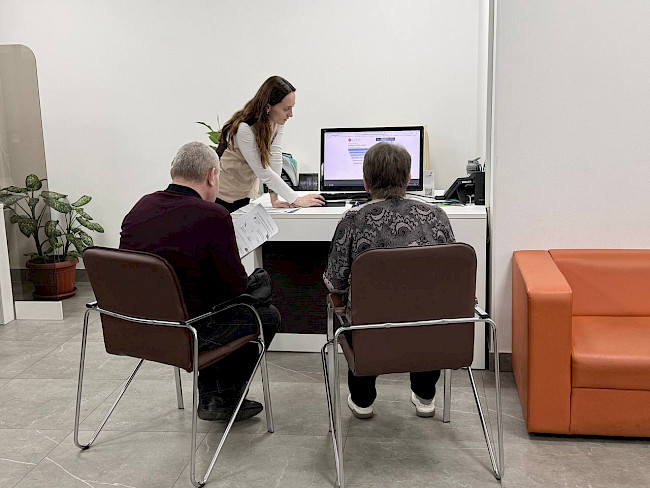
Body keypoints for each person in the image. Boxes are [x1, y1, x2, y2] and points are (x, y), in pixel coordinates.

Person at [120, 141, 280, 422]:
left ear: (173, 172)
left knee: (237, 296)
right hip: (188, 332)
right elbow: (234, 288)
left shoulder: (140, 207)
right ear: (211, 176)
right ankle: (221, 397)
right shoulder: (213, 216)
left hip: (136, 327)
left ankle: (213, 395)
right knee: (264, 312)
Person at [323, 142, 456, 419]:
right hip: (428, 330)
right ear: (408, 179)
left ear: (365, 181)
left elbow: (335, 283)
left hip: (372, 331)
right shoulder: (437, 217)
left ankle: (362, 400)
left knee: (358, 311)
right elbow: (450, 276)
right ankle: (425, 395)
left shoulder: (352, 221)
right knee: (427, 307)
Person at [216, 75, 324, 212]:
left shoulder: (276, 122)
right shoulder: (245, 129)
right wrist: (295, 199)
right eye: (286, 109)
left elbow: (275, 156)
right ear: (268, 107)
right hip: (222, 195)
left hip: (244, 194)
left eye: (292, 108)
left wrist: (275, 198)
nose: (291, 114)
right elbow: (262, 170)